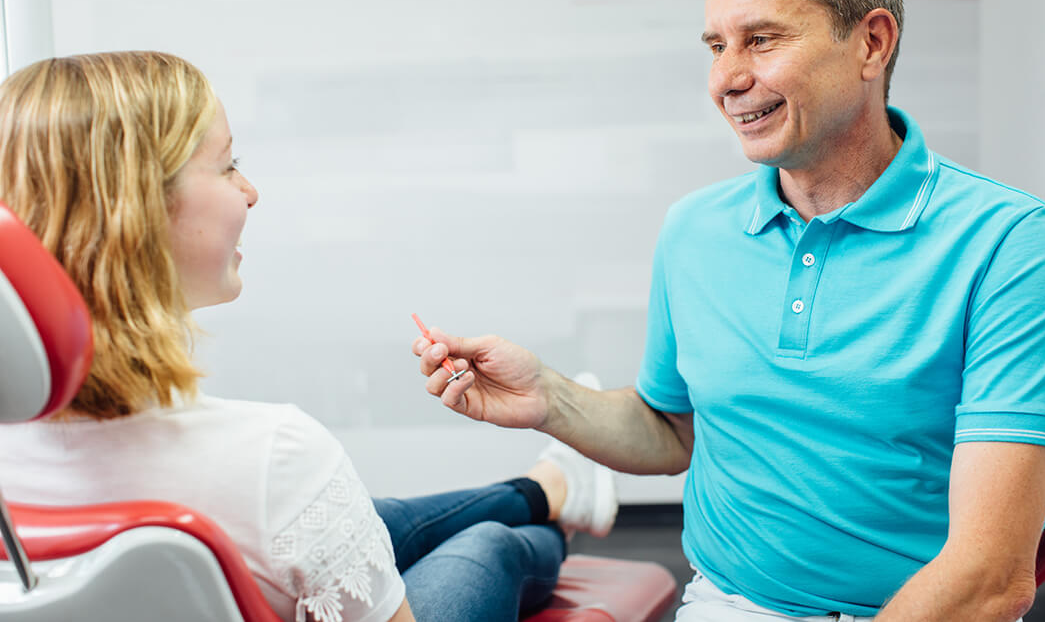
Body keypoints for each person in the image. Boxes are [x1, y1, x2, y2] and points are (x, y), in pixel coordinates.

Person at [413, 0, 1045, 622]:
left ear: (871, 43)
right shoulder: (694, 230)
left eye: (761, 40)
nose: (726, 78)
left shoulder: (1010, 241)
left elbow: (991, 576)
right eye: (716, 46)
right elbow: (674, 431)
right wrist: (548, 396)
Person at [0, 50, 619, 622]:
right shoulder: (276, 456)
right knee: (489, 545)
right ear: (138, 208)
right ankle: (548, 510)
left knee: (368, 522)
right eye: (228, 166)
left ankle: (550, 489)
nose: (251, 191)